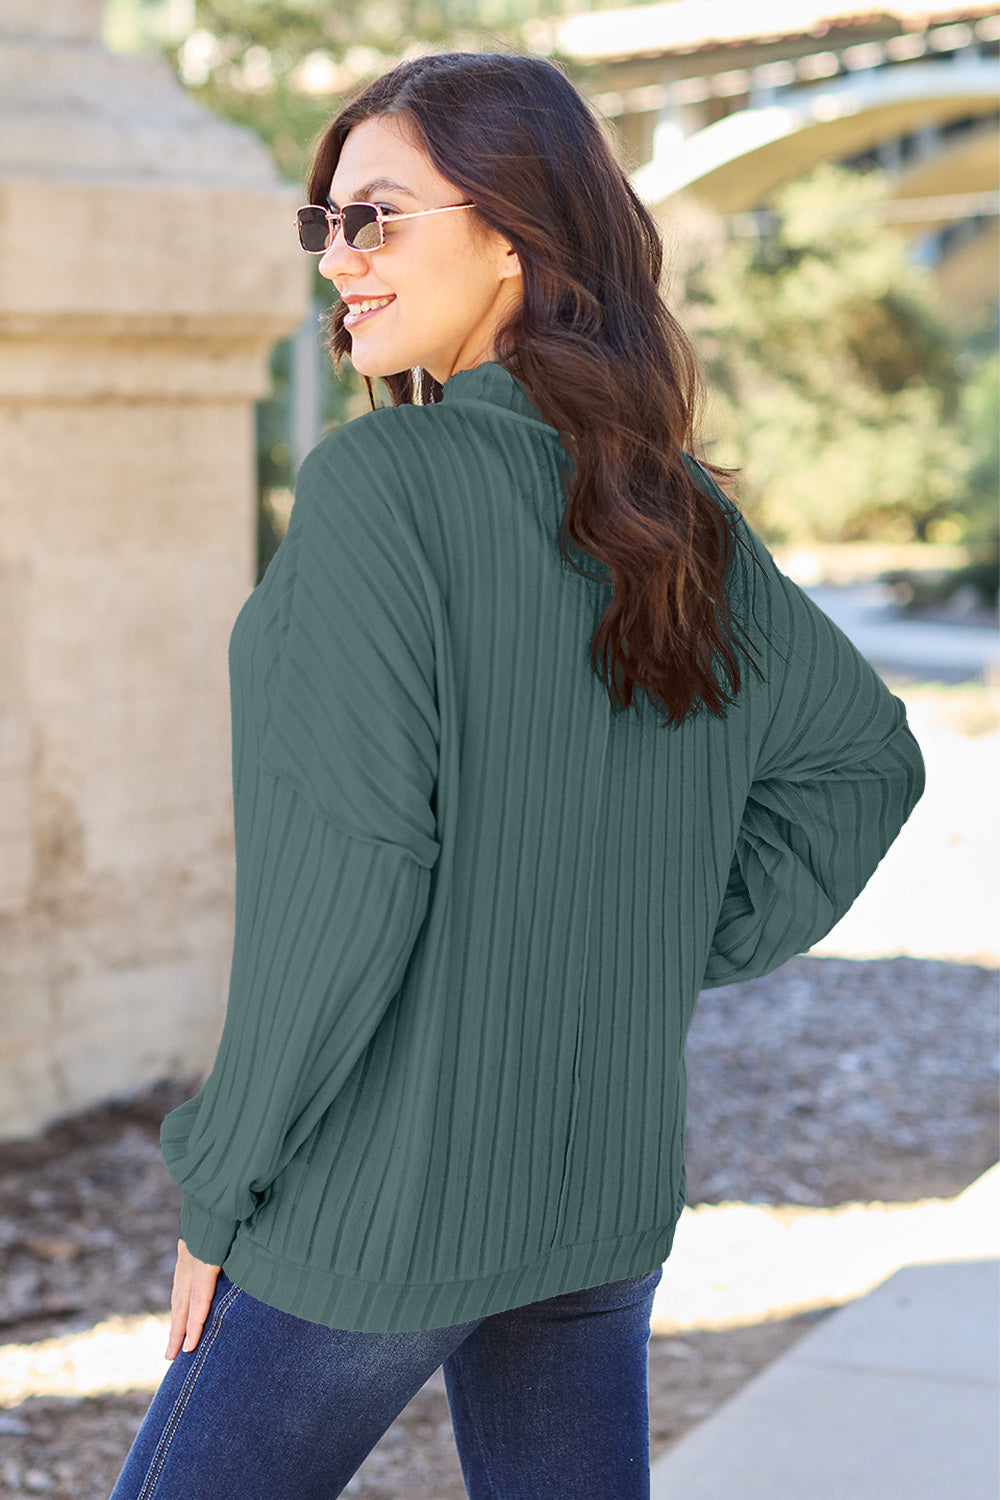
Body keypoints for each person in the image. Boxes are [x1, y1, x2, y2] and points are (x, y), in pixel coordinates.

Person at [109, 49, 925, 1500]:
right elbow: (862, 764)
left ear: (510, 236)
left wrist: (222, 1182)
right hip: (595, 1194)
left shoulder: (382, 492)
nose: (338, 256)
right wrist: (661, 933)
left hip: (385, 1207)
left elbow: (348, 881)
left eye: (377, 216)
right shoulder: (675, 519)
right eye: (328, 224)